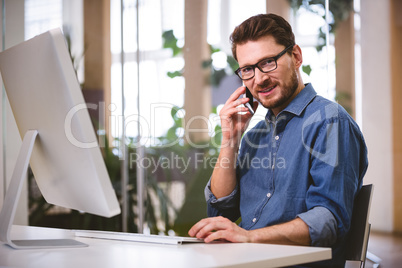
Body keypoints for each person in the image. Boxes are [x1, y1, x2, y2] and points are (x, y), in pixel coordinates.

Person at [188, 13, 368, 267]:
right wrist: (230, 140)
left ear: (295, 56)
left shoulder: (329, 121)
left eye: (268, 62)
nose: (259, 79)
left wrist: (249, 238)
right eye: (248, 69)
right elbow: (220, 213)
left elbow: (329, 221)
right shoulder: (253, 136)